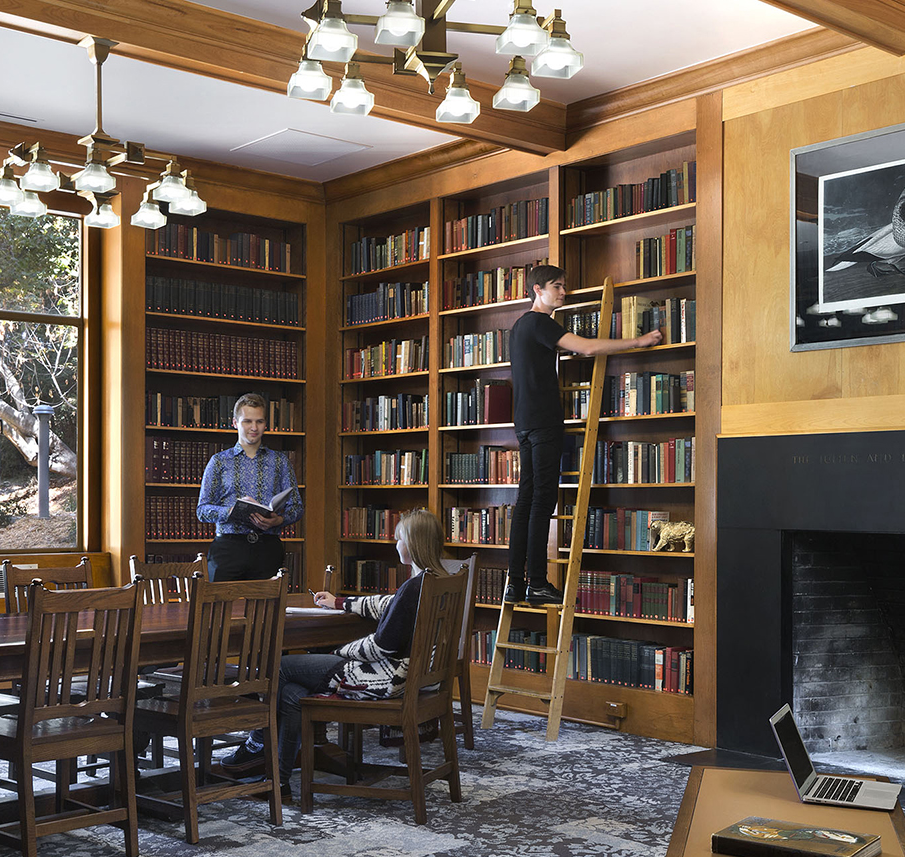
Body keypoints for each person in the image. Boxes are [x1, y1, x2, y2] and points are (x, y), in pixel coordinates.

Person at [220, 508, 451, 784]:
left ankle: (257, 745)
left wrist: (338, 651)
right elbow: (385, 604)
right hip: (402, 678)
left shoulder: (413, 589)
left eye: (400, 539)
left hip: (381, 679)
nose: (395, 544)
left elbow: (380, 647)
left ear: (412, 545)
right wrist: (339, 602)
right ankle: (278, 781)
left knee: (278, 669)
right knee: (292, 693)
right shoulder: (434, 583)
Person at [506, 265, 661, 606]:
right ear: (538, 289)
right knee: (542, 502)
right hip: (544, 422)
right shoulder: (540, 323)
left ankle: (515, 583)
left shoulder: (517, 327)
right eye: (557, 287)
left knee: (526, 501)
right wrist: (638, 341)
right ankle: (536, 583)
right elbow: (586, 349)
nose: (563, 293)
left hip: (523, 422)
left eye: (564, 286)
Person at [196, 393, 302, 582]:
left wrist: (278, 520)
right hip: (228, 548)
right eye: (247, 421)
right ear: (235, 422)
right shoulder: (219, 462)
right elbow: (202, 511)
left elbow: (297, 507)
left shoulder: (280, 462)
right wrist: (230, 511)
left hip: (268, 548)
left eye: (259, 422)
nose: (254, 428)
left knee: (267, 610)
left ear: (265, 424)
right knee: (218, 609)